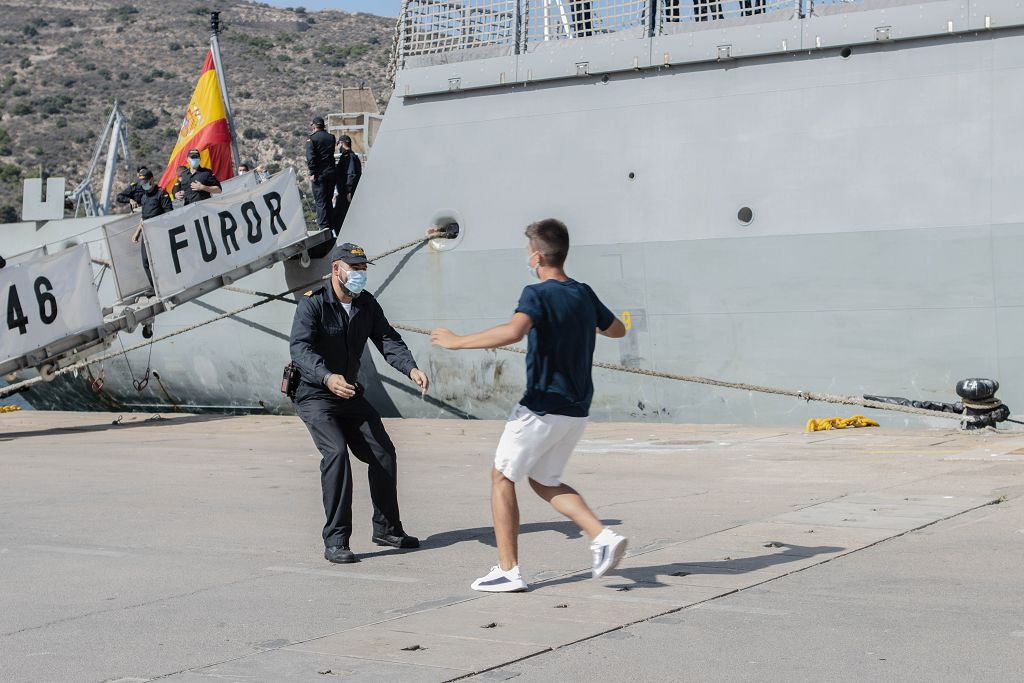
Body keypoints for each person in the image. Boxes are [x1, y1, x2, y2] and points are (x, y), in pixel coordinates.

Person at [431, 218, 629, 593]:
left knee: (502, 477)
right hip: (576, 409)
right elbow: (617, 329)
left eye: (527, 251)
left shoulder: (536, 294)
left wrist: (457, 342)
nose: (527, 257)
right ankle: (602, 537)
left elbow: (513, 331)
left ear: (537, 256)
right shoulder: (583, 293)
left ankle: (508, 571)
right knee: (543, 479)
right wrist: (583, 325)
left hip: (540, 406)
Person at [289, 242, 430, 564]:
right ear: (336, 269)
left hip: (349, 391)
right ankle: (337, 540)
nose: (360, 275)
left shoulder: (366, 304)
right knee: (336, 454)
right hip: (315, 393)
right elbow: (300, 349)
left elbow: (387, 340)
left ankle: (387, 529)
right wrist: (327, 377)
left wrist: (411, 367)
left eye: (364, 269)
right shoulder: (312, 304)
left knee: (383, 453)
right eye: (355, 269)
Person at [115, 167, 173, 288]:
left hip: (159, 233)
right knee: (146, 261)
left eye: (145, 181)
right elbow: (144, 217)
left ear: (151, 180)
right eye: (142, 182)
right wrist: (137, 232)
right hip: (146, 233)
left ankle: (168, 283)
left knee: (162, 260)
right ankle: (155, 287)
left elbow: (170, 215)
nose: (143, 184)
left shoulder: (162, 194)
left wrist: (157, 224)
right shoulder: (144, 197)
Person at [306, 116, 338, 234]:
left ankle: (323, 227)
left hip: (319, 174)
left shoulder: (312, 139)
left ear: (314, 126)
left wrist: (312, 172)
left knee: (320, 201)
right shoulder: (331, 137)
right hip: (331, 172)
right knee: (329, 200)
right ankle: (331, 225)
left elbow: (311, 158)